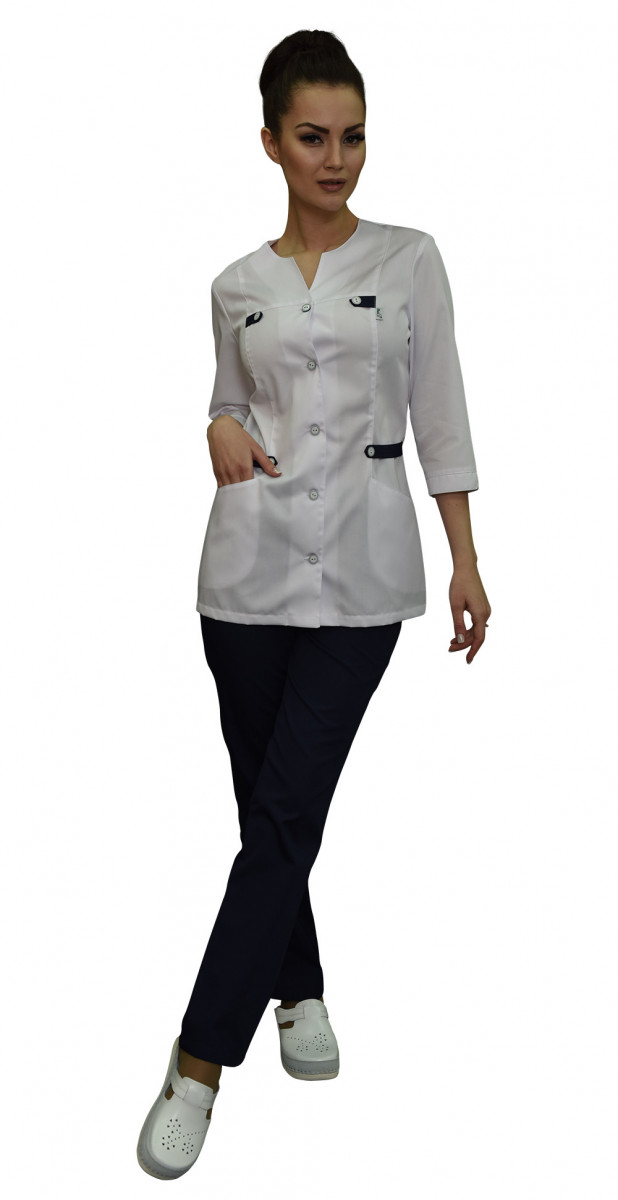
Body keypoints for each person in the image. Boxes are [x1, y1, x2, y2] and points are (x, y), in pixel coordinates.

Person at [137, 27, 491, 1181]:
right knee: (270, 818)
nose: (335, 160)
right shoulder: (235, 285)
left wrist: (467, 559)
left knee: (287, 811)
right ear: (270, 143)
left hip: (365, 577)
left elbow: (441, 411)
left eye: (353, 138)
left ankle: (197, 1066)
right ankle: (298, 989)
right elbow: (232, 401)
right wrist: (217, 425)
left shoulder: (411, 259)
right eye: (312, 138)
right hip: (244, 579)